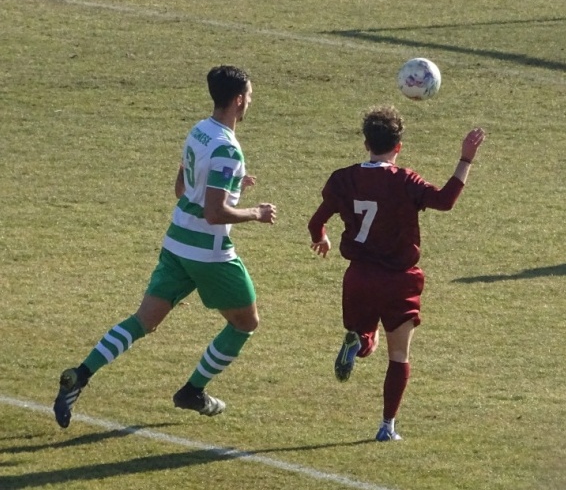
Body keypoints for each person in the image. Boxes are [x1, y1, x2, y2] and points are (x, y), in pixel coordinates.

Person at [54, 65, 277, 428]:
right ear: (238, 100)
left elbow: (182, 189)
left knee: (143, 321)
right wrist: (256, 213)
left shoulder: (199, 131)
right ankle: (192, 391)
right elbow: (214, 212)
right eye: (250, 96)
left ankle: (79, 375)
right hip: (209, 253)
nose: (250, 101)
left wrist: (235, 185)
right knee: (245, 323)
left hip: (176, 242)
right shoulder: (228, 149)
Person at [307, 106, 485, 442]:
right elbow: (445, 201)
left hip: (358, 277)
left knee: (364, 337)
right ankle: (387, 426)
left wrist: (322, 238)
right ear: (398, 146)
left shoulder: (343, 178)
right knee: (398, 355)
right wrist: (466, 159)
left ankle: (359, 341)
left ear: (366, 144)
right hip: (399, 280)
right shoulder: (405, 180)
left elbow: (316, 223)